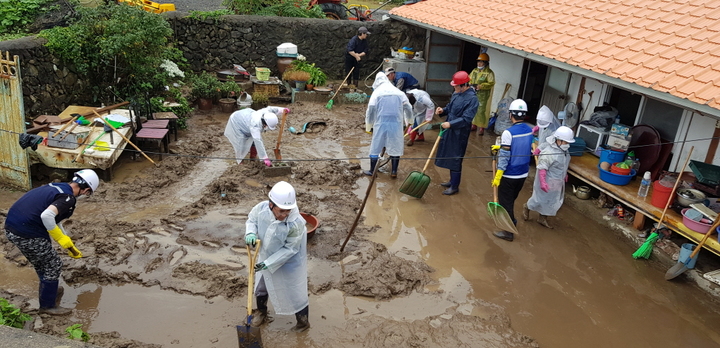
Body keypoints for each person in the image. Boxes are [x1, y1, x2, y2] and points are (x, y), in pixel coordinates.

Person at [4, 169, 99, 315]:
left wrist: (67, 241)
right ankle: (47, 306)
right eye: (87, 193)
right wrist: (60, 238)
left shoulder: (56, 187)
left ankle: (49, 289)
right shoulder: (68, 198)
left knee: (42, 261)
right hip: (27, 232)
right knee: (53, 264)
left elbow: (55, 219)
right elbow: (47, 216)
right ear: (85, 189)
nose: (85, 196)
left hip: (12, 228)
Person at [244, 181, 309, 332]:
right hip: (266, 255)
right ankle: (261, 312)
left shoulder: (296, 223)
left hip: (289, 261)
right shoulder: (261, 209)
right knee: (261, 287)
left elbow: (290, 248)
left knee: (295, 292)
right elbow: (252, 220)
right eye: (281, 211)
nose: (285, 214)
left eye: (288, 210)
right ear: (271, 205)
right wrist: (251, 232)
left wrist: (269, 263)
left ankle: (303, 323)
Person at [491, 99, 533, 242]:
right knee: (510, 199)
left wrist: (498, 175)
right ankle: (511, 222)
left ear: (511, 115)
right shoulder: (529, 130)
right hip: (523, 174)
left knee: (505, 203)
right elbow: (523, 147)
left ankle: (508, 232)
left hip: (509, 175)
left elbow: (504, 158)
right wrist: (501, 147)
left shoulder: (508, 133)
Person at [434, 71, 479, 195]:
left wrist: (451, 124)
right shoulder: (456, 93)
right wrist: (442, 110)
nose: (454, 88)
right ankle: (451, 180)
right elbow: (450, 107)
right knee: (448, 154)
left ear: (464, 85)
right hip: (450, 128)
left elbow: (466, 118)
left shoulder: (472, 99)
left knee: (456, 157)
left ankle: (455, 186)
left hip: (460, 132)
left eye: (456, 86)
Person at [363, 72, 413, 178]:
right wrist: (410, 120)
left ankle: (373, 171)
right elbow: (408, 107)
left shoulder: (376, 93)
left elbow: (371, 109)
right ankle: (394, 171)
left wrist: (369, 125)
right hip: (396, 124)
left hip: (380, 123)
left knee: (376, 146)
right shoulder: (398, 92)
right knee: (395, 146)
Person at [524, 126, 575, 229]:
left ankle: (542, 218)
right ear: (559, 140)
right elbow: (542, 168)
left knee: (551, 200)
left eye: (568, 142)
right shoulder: (549, 152)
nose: (567, 144)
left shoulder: (564, 150)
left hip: (557, 180)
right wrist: (543, 182)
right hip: (547, 180)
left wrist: (565, 174)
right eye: (566, 142)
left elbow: (564, 163)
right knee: (539, 199)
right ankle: (527, 207)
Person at [224, 106, 288, 165]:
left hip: (246, 116)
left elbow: (272, 109)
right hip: (237, 121)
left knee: (253, 140)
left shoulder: (266, 113)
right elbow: (258, 141)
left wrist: (283, 110)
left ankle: (253, 157)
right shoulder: (255, 125)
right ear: (265, 123)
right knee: (240, 143)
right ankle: (240, 161)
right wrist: (265, 158)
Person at [469, 53, 495, 136]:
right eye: (478, 62)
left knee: (481, 110)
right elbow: (469, 78)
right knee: (473, 108)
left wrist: (481, 86)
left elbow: (491, 83)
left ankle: (481, 127)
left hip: (483, 95)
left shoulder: (489, 73)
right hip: (473, 92)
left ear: (485, 63)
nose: (479, 64)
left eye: (481, 62)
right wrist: (471, 84)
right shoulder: (475, 71)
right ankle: (474, 125)